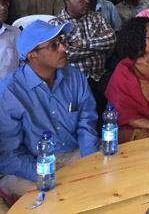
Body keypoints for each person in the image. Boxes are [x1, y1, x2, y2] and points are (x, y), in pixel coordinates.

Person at [0, 20, 98, 200]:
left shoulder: (75, 77)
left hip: (75, 154)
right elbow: (9, 153)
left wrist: (90, 163)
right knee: (53, 199)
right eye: (54, 45)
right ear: (31, 55)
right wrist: (47, 175)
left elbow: (87, 125)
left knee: (104, 179)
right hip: (33, 165)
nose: (63, 48)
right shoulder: (10, 92)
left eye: (61, 42)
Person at [49, 0, 117, 126]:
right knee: (83, 116)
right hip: (73, 79)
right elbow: (65, 54)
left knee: (119, 92)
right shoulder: (57, 23)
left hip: (100, 74)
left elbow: (111, 40)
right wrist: (98, 44)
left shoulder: (97, 17)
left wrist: (79, 44)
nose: (87, 1)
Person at [0, 0, 19, 80]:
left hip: (12, 85)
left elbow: (24, 63)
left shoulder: (15, 32)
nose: (3, 8)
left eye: (4, 4)